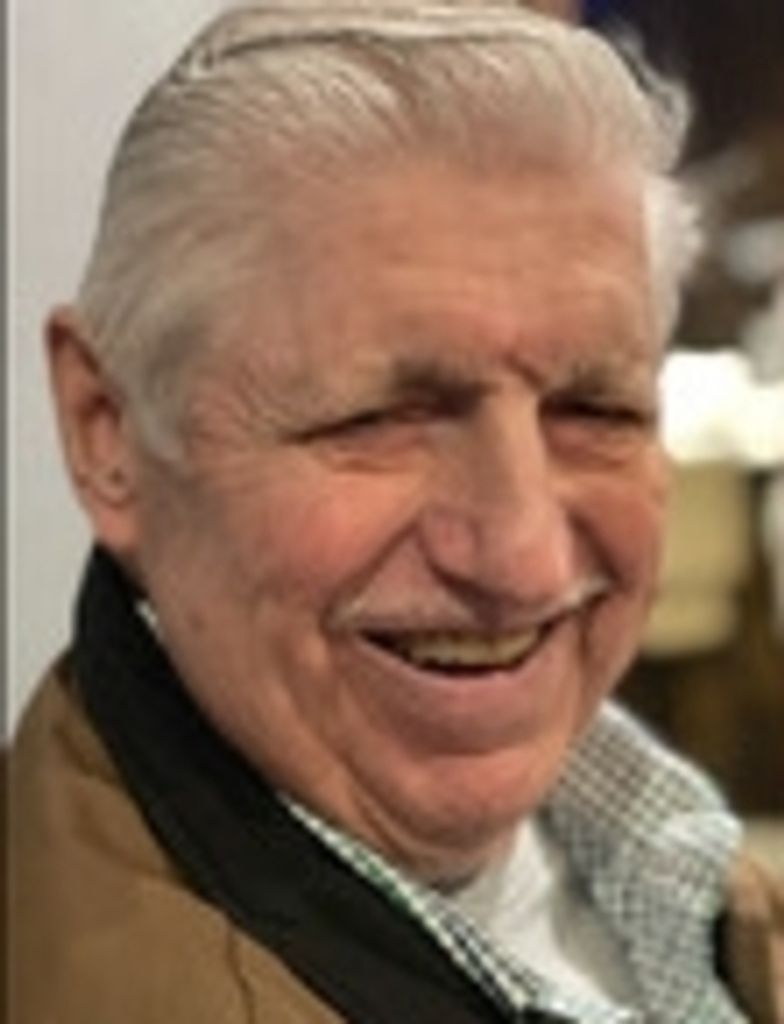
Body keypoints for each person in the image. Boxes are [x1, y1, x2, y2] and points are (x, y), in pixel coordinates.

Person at [9, 4, 783, 1022]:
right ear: (105, 429)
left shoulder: (649, 853)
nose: (523, 558)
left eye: (595, 409)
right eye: (379, 417)